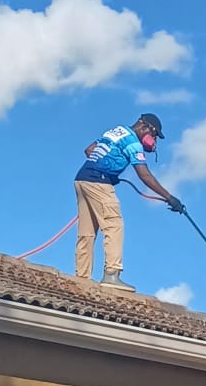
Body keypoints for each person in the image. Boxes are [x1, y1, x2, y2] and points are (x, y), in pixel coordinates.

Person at [74, 113, 183, 290]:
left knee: (87, 232)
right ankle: (111, 275)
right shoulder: (133, 142)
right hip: (99, 181)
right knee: (114, 224)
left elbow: (89, 150)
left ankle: (81, 277)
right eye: (154, 135)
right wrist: (170, 198)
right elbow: (144, 175)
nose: (153, 140)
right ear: (144, 127)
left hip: (82, 179)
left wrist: (108, 169)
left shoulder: (115, 131)